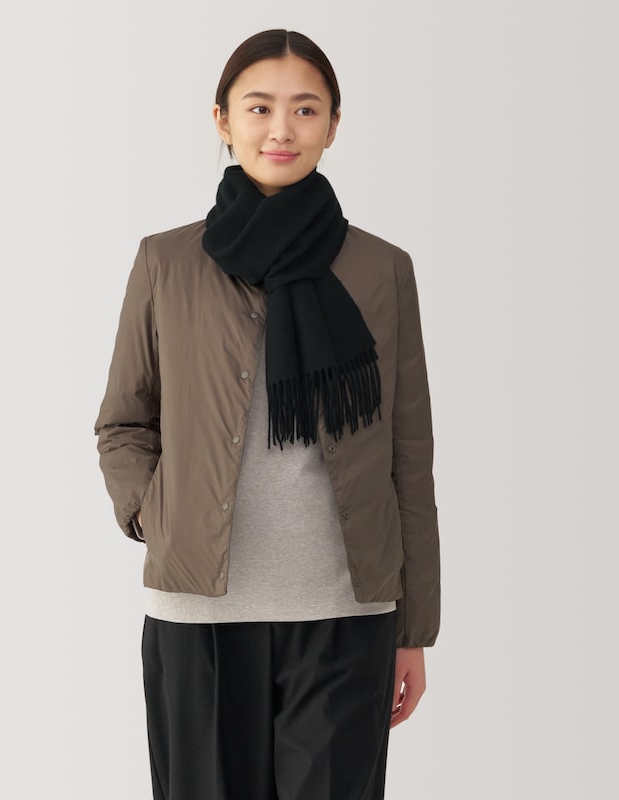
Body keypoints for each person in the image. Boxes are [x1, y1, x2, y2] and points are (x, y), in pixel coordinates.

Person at [94, 28, 441, 800]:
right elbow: (123, 422)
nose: (281, 128)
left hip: (346, 613)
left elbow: (407, 456)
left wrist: (414, 629)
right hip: (197, 615)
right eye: (259, 107)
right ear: (223, 119)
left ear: (333, 125)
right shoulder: (167, 262)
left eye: (305, 109)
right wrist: (154, 514)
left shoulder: (381, 268)